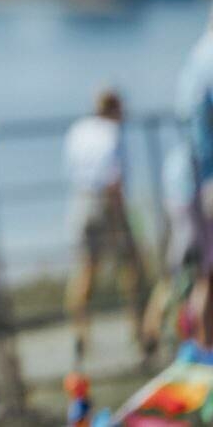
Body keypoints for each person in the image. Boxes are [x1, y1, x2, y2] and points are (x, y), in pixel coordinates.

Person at [63, 88, 148, 362]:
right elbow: (114, 177)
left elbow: (70, 167)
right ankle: (137, 329)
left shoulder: (79, 130)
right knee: (131, 265)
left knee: (86, 268)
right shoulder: (111, 133)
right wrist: (122, 213)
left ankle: (80, 333)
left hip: (81, 199)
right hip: (108, 202)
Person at [176, 6, 213, 348]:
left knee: (201, 274)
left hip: (189, 180)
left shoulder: (196, 56)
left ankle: (201, 354)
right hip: (207, 180)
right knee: (207, 278)